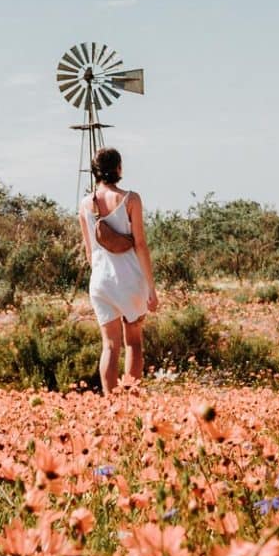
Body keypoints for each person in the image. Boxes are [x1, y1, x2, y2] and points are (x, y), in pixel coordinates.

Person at [78, 148, 158, 390]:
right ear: (119, 168)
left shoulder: (84, 205)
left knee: (110, 346)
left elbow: (89, 251)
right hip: (129, 278)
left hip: (100, 280)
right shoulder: (131, 199)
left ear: (94, 171)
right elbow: (141, 245)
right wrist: (151, 287)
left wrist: (102, 275)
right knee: (133, 342)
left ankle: (110, 407)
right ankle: (131, 400)